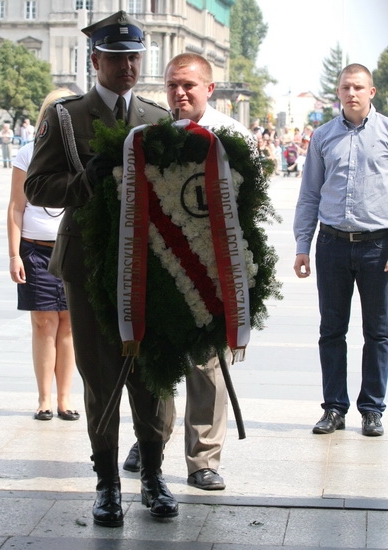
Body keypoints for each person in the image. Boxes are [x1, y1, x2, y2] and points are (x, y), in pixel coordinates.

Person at [24, 11, 178, 527]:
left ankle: (153, 475)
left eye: (134, 56)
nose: (128, 66)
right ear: (96, 61)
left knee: (153, 373)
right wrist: (83, 182)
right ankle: (107, 482)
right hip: (88, 263)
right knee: (99, 373)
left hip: (150, 268)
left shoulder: (157, 120)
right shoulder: (67, 117)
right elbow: (37, 188)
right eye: (116, 58)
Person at [123, 53, 254, 491]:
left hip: (210, 273)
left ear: (209, 88)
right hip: (160, 266)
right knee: (156, 363)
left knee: (205, 365)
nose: (179, 93)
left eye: (189, 86)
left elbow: (249, 214)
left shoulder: (232, 138)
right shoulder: (152, 136)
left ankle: (203, 460)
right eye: (172, 85)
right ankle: (150, 439)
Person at [293, 63, 388, 437]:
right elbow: (310, 194)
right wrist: (303, 244)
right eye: (346, 87)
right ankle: (333, 407)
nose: (352, 93)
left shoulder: (385, 133)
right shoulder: (323, 137)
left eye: (358, 87)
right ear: (338, 92)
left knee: (378, 333)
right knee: (331, 330)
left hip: (377, 248)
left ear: (372, 92)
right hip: (332, 245)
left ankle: (372, 408)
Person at [7, 88, 79, 423]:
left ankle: (65, 398)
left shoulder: (80, 153)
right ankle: (44, 399)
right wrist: (14, 254)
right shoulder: (27, 153)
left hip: (72, 249)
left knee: (68, 326)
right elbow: (16, 207)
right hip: (35, 250)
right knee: (43, 323)